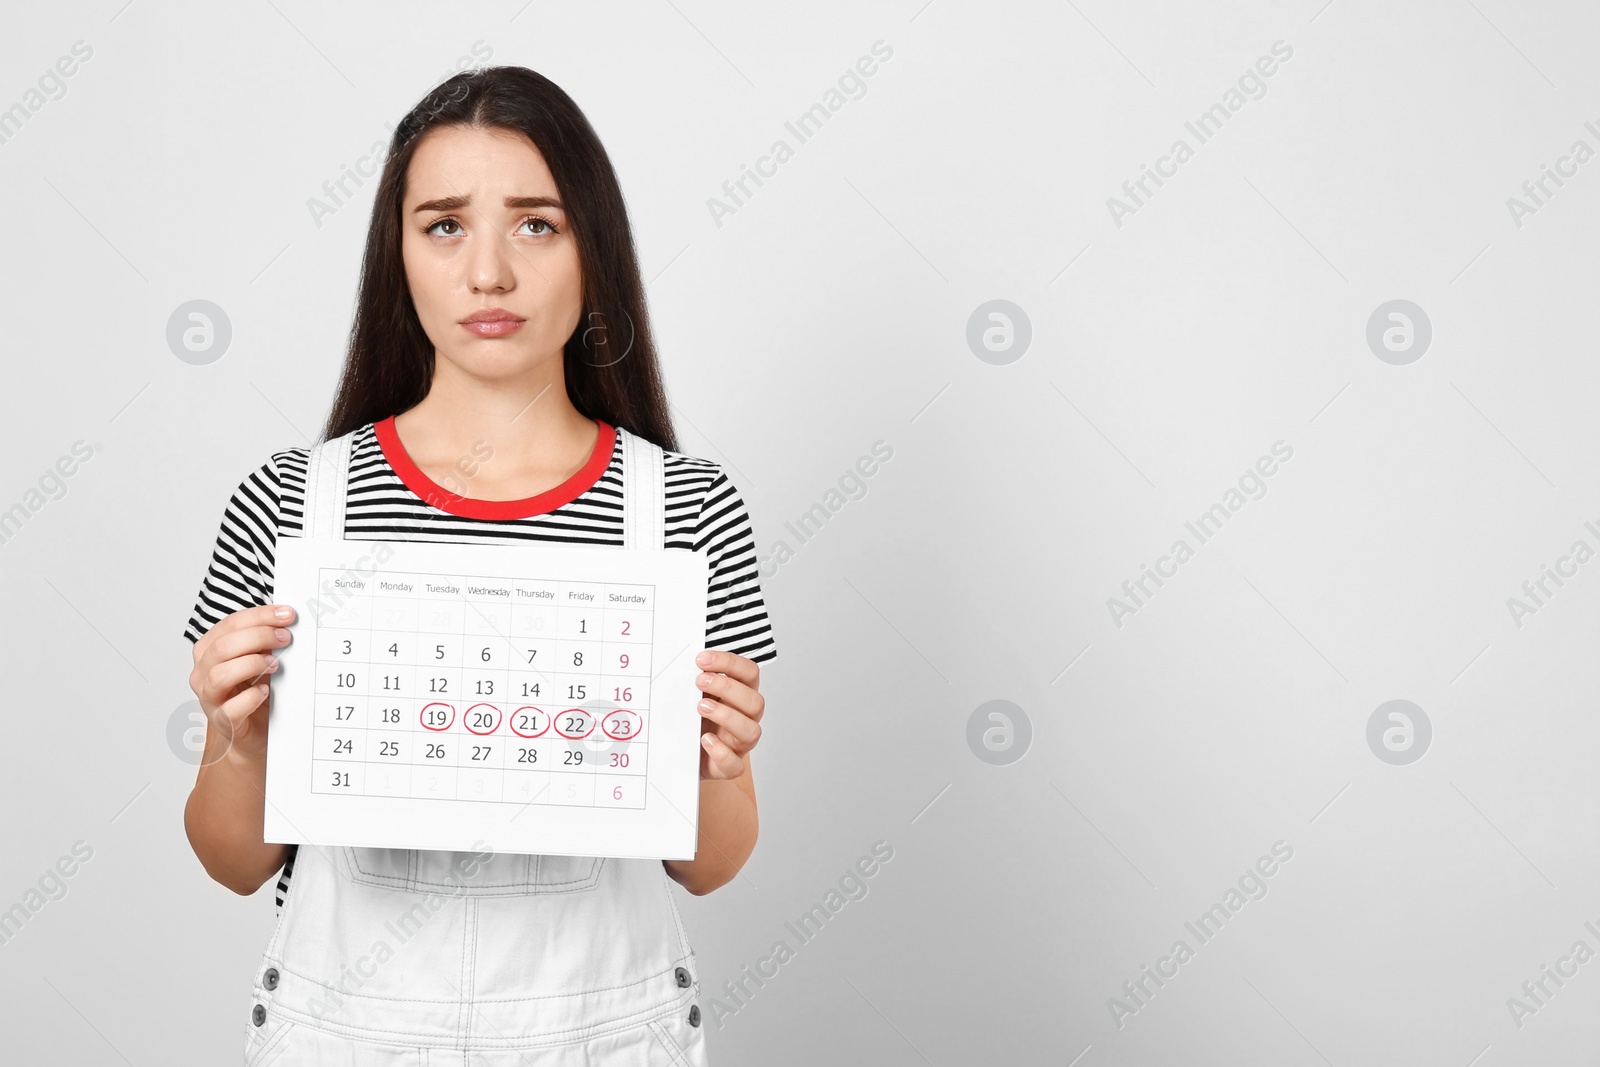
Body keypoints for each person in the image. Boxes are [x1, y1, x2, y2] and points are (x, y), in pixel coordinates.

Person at [181, 65, 776, 1065]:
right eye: (444, 224)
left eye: (536, 224)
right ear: (397, 253)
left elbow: (710, 862)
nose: (488, 273)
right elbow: (235, 860)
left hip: (601, 1031)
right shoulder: (291, 502)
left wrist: (725, 757)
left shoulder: (685, 509)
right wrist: (237, 739)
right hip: (347, 1032)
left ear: (595, 250)